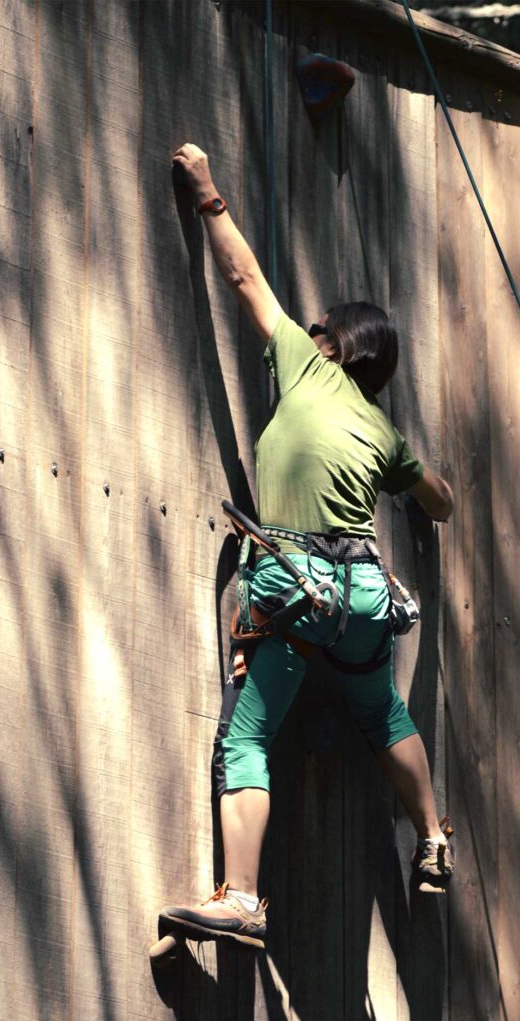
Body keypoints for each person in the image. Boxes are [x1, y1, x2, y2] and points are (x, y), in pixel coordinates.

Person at [162, 143, 455, 949]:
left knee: (247, 738)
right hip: (362, 594)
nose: (308, 329)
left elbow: (244, 279)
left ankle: (242, 900)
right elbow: (437, 500)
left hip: (293, 583)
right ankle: (433, 837)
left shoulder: (305, 367)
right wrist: (433, 492)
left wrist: (208, 192)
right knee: (382, 709)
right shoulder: (383, 432)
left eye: (318, 326)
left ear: (331, 344)